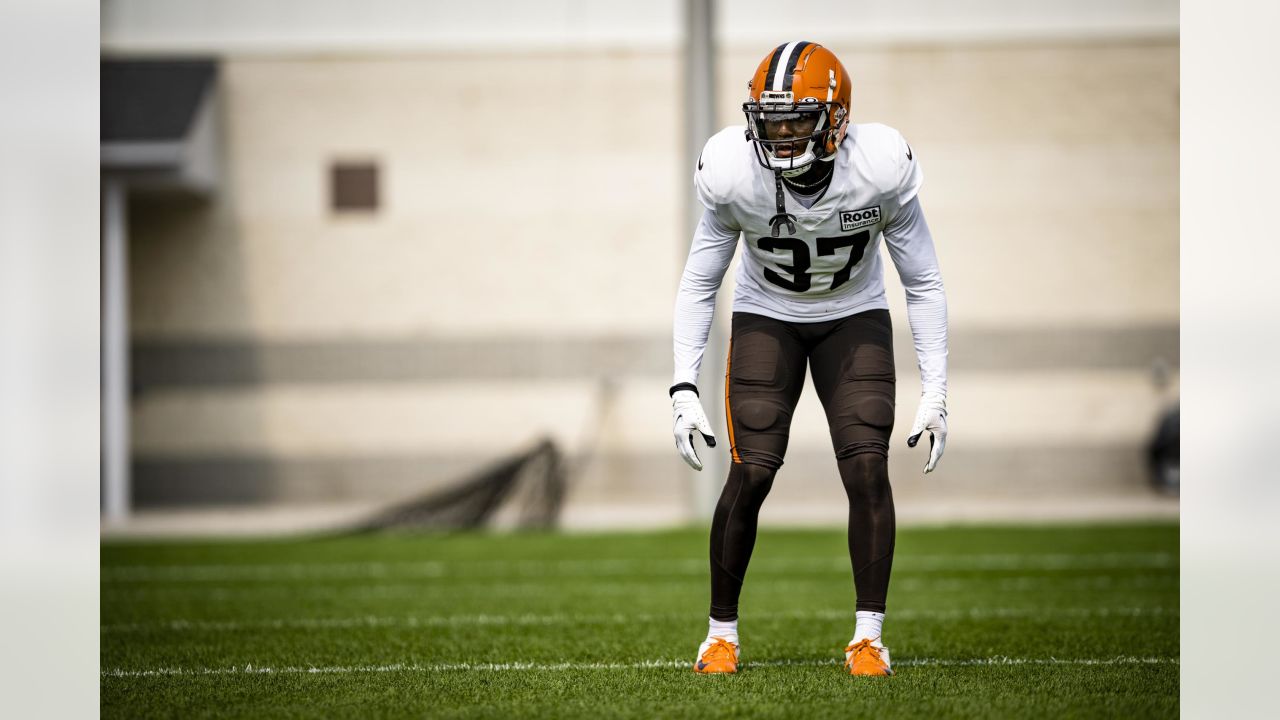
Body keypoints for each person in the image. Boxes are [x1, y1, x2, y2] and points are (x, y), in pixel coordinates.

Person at [670, 41, 949, 677]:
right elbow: (699, 281)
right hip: (768, 315)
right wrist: (682, 385)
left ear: (838, 121)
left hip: (855, 315)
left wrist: (937, 389)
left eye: (798, 117)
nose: (782, 131)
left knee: (867, 469)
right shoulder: (731, 172)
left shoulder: (879, 167)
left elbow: (924, 282)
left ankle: (869, 637)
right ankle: (720, 636)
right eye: (771, 119)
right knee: (753, 471)